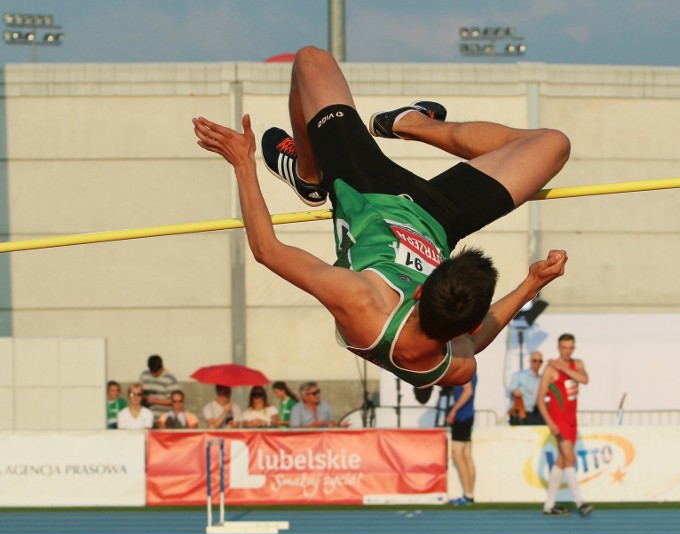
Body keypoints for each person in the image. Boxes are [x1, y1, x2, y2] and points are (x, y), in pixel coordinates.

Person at [192, 45, 569, 390]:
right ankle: (411, 124)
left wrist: (243, 163)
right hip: (440, 220)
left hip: (365, 189)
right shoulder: (457, 367)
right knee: (552, 144)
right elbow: (474, 340)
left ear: (421, 291)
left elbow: (267, 249)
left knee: (311, 61)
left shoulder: (361, 302)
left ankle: (309, 175)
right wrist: (530, 284)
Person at [536, 333, 593, 517]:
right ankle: (580, 503)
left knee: (561, 461)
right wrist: (550, 423)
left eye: (570, 348)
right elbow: (539, 400)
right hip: (558, 419)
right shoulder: (550, 370)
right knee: (570, 458)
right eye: (564, 348)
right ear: (558, 348)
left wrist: (563, 367)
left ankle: (549, 506)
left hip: (572, 419)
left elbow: (584, 379)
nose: (567, 351)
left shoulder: (577, 364)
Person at [448, 373, 477, 506]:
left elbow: (468, 391)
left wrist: (454, 410)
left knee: (457, 454)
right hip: (468, 415)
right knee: (466, 455)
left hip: (462, 416)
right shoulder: (471, 370)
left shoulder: (463, 371)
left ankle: (467, 494)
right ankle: (469, 494)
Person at [506, 351, 545, 425]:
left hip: (536, 414)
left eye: (540, 361)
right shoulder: (520, 375)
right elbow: (508, 391)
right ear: (530, 361)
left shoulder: (542, 379)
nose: (537, 363)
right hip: (521, 414)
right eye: (534, 360)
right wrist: (514, 391)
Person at [139, 354, 179, 424]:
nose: (154, 375)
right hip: (145, 418)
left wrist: (155, 401)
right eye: (152, 372)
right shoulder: (144, 375)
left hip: (162, 419)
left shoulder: (170, 379)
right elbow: (139, 393)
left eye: (156, 372)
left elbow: (174, 401)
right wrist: (145, 398)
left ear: (161, 367)